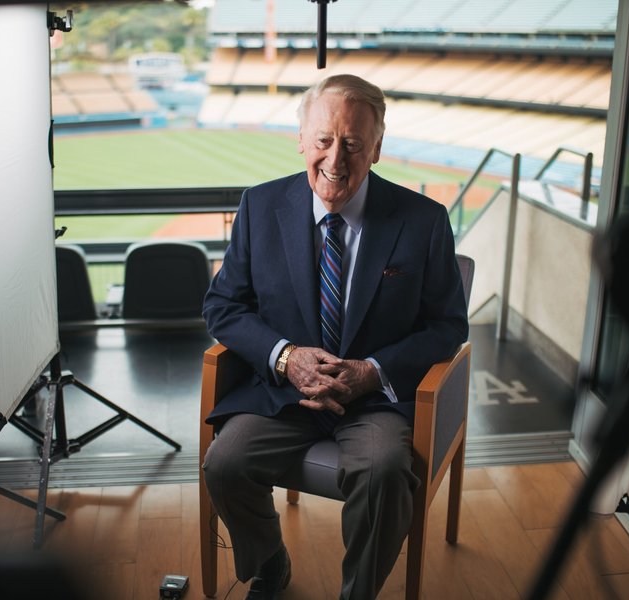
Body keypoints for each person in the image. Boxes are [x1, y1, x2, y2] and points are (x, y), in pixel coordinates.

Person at [201, 74, 469, 600]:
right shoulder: (260, 206)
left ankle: (357, 593)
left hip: (374, 401)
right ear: (301, 139)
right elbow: (223, 305)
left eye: (352, 144)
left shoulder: (424, 221)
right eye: (324, 140)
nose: (335, 160)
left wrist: (372, 372)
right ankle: (270, 564)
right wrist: (285, 358)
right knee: (225, 464)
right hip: (283, 392)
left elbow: (447, 326)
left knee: (386, 472)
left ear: (377, 148)